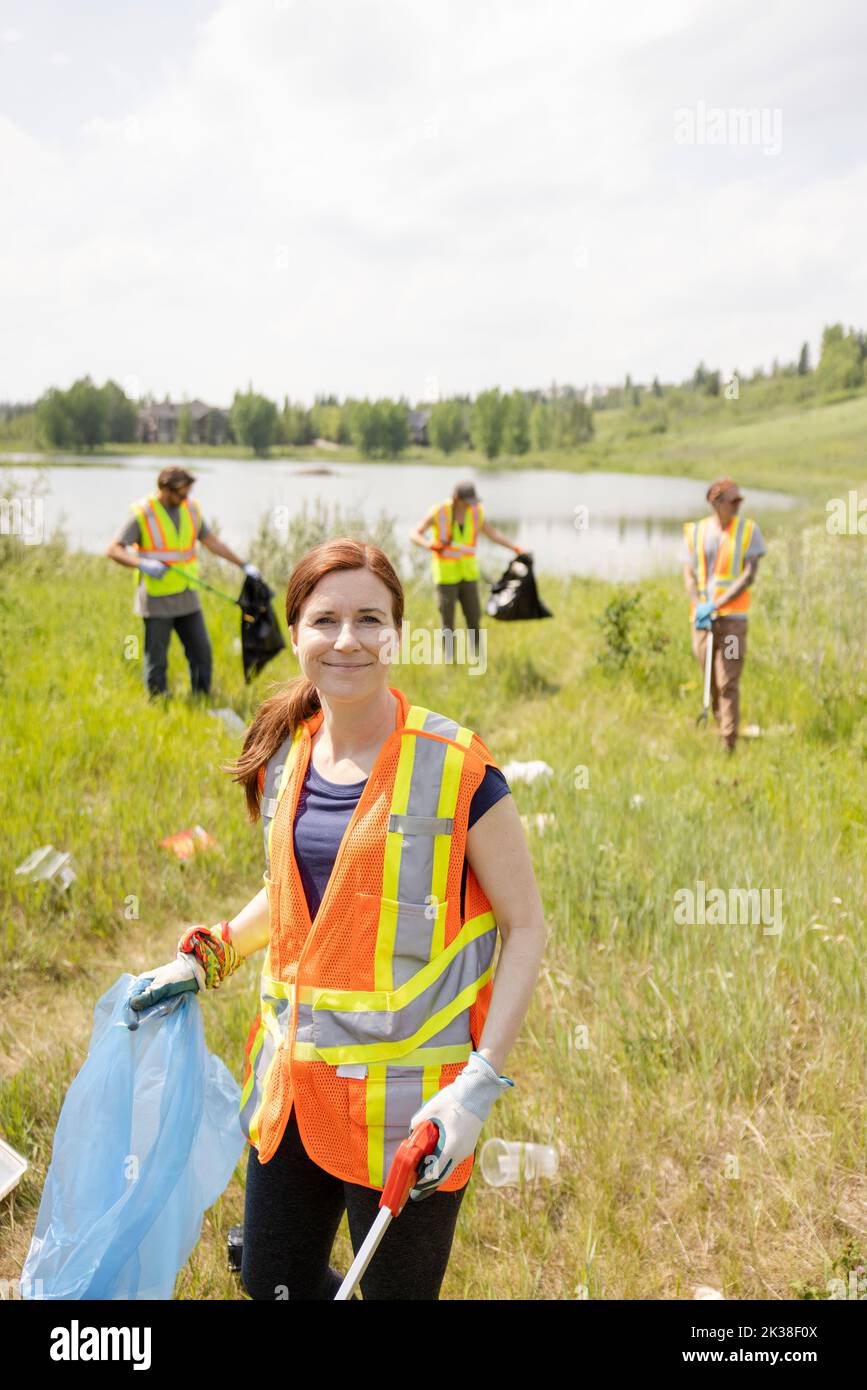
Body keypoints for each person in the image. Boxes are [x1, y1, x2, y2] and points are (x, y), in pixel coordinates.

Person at [127, 538, 547, 1301]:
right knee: (272, 1279)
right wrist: (210, 955)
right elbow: (288, 899)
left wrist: (478, 1085)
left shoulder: (459, 767)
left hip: (411, 1106)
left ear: (397, 634)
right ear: (295, 635)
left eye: (369, 619)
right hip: (293, 1087)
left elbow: (526, 927)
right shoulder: (290, 752)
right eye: (325, 619)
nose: (347, 639)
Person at [106, 466, 260, 698]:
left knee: (201, 652)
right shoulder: (143, 513)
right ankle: (158, 702)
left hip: (187, 596)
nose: (186, 498)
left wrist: (243, 564)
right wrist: (142, 564)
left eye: (188, 492)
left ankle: (201, 698)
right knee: (156, 657)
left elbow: (211, 541)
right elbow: (114, 550)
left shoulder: (191, 509)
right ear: (165, 489)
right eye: (181, 493)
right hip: (156, 598)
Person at [681, 477, 767, 752]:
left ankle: (728, 743)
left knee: (727, 680)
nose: (737, 506)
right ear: (715, 502)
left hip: (732, 622)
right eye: (732, 501)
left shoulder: (749, 531)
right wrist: (699, 607)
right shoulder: (696, 532)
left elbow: (749, 575)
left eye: (739, 500)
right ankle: (722, 726)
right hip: (703, 622)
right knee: (710, 679)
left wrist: (717, 604)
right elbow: (688, 573)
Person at [409, 481, 527, 638]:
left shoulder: (476, 512)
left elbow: (492, 534)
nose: (471, 505)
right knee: (447, 623)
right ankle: (450, 660)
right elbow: (414, 534)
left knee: (474, 619)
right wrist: (429, 544)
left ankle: (478, 657)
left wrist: (514, 548)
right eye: (467, 502)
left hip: (469, 575)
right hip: (446, 576)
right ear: (457, 498)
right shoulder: (440, 511)